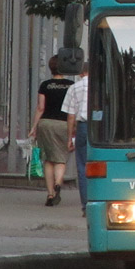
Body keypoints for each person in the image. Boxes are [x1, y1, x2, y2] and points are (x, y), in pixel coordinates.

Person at [29, 54, 74, 206]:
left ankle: (50, 194)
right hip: (63, 123)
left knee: (48, 159)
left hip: (46, 123)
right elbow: (72, 110)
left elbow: (41, 107)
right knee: (61, 158)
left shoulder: (45, 85)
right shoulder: (70, 85)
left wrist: (34, 126)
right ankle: (58, 183)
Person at [61, 62, 89, 217]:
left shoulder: (74, 88)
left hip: (83, 128)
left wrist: (70, 137)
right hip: (101, 129)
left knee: (82, 166)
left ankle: (86, 206)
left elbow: (70, 115)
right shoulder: (103, 87)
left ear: (81, 73)